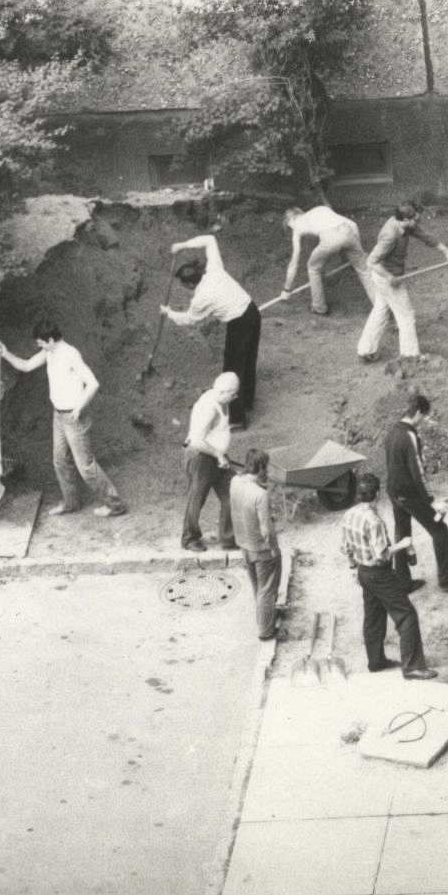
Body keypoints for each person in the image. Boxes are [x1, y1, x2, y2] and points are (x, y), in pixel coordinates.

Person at [0, 321, 127, 518]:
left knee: (85, 466)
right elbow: (26, 365)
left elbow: (92, 383)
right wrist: (5, 353)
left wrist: (78, 408)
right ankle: (71, 503)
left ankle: (115, 505)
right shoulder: (50, 352)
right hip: (58, 416)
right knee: (60, 462)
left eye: (41, 343)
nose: (39, 346)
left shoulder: (70, 354)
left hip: (74, 418)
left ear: (50, 340)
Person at [341, 472, 437, 680]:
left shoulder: (349, 515)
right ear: (377, 494)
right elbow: (382, 554)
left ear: (358, 494)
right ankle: (412, 667)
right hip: (379, 573)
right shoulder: (373, 521)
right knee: (406, 614)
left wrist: (353, 566)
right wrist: (403, 544)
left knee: (373, 616)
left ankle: (376, 661)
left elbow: (346, 547)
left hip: (363, 572)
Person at [161, 234, 261, 429]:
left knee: (233, 368)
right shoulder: (213, 269)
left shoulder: (201, 299)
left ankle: (237, 418)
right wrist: (182, 245)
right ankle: (247, 401)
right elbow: (210, 239)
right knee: (249, 359)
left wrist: (168, 313)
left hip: (239, 322)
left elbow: (188, 319)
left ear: (190, 284)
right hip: (252, 312)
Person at [384, 391, 448, 593]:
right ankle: (446, 580)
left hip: (394, 491)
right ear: (419, 413)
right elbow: (418, 471)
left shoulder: (392, 432)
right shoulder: (409, 435)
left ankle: (404, 582)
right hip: (410, 493)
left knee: (402, 534)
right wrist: (430, 501)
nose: (423, 421)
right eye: (423, 417)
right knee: (440, 530)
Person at [357, 202, 448, 363]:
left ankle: (366, 350)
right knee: (406, 316)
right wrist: (390, 277)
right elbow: (371, 262)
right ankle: (410, 357)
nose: (417, 223)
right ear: (406, 220)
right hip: (386, 277)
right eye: (415, 220)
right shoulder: (390, 235)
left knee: (381, 310)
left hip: (389, 275)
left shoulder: (407, 225)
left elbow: (426, 236)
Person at [181, 372, 241, 552]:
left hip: (215, 456)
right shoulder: (209, 407)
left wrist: (220, 454)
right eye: (233, 394)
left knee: (232, 493)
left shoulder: (221, 399)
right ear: (223, 391)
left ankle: (228, 539)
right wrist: (219, 454)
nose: (235, 397)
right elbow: (196, 440)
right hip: (200, 457)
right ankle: (189, 538)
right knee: (197, 497)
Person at [278, 205, 374, 315]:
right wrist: (359, 252)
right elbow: (353, 225)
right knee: (364, 271)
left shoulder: (297, 227)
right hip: (348, 232)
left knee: (313, 268)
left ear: (291, 219)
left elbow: (294, 263)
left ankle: (319, 307)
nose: (291, 229)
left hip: (330, 237)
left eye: (289, 226)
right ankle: (381, 306)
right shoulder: (321, 209)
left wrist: (287, 289)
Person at [229, 448, 281, 640]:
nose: (266, 471)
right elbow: (266, 529)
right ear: (260, 468)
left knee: (257, 587)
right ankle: (266, 630)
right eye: (265, 467)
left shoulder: (235, 482)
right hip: (261, 548)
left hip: (243, 542)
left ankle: (263, 617)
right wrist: (274, 550)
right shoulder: (260, 494)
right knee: (267, 589)